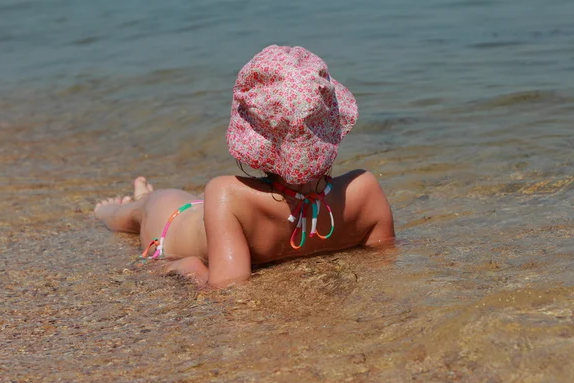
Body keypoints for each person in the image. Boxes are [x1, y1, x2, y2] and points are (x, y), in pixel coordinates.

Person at [94, 45, 395, 288]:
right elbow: (384, 260)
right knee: (135, 212)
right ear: (330, 123)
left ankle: (127, 203)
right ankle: (114, 208)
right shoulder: (365, 190)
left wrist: (190, 267)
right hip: (182, 221)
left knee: (154, 203)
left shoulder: (229, 196)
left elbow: (227, 289)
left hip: (174, 225)